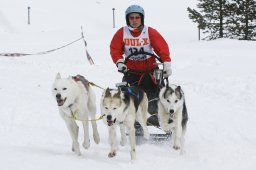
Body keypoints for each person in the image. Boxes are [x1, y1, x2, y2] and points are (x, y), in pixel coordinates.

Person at [110, 4, 172, 117]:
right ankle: (134, 121)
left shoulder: (150, 31)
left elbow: (161, 47)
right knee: (129, 95)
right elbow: (115, 49)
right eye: (131, 17)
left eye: (137, 17)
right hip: (131, 71)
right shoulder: (122, 33)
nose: (134, 20)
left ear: (142, 18)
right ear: (127, 19)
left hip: (151, 70)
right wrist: (119, 62)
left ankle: (163, 117)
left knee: (161, 92)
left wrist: (166, 63)